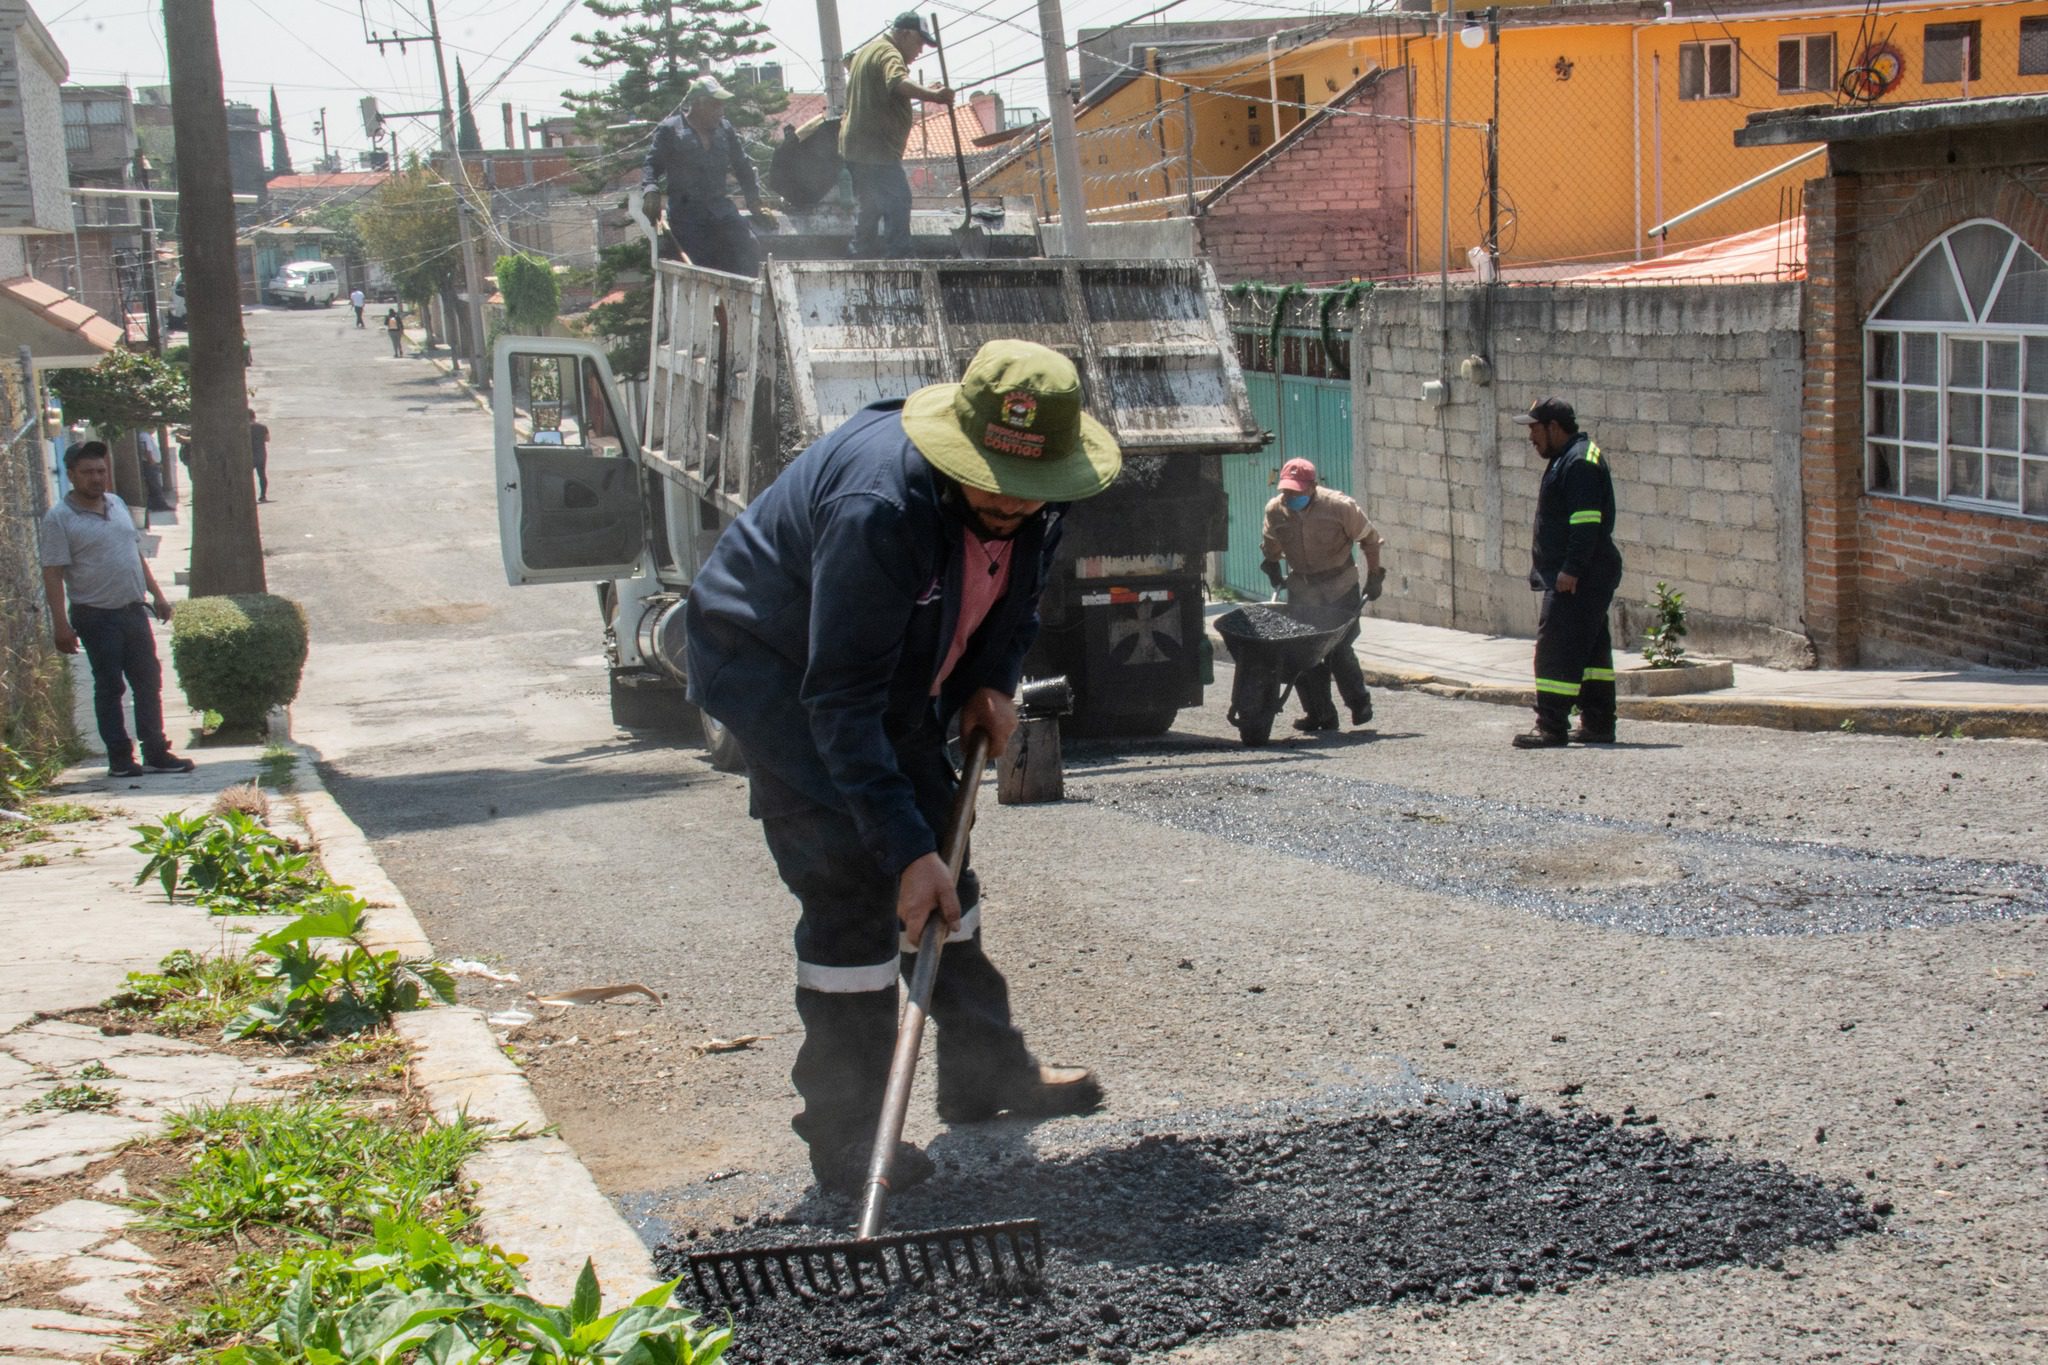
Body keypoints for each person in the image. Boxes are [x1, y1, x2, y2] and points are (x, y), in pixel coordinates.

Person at [685, 339, 1118, 1196]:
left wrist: (991, 678)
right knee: (852, 879)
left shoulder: (1035, 497)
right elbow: (838, 699)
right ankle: (849, 1138)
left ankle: (986, 1072)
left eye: (1029, 488)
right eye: (991, 477)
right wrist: (899, 851)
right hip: (776, 667)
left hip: (885, 672)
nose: (1010, 500)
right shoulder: (880, 507)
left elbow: (1014, 592)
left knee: (944, 871)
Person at [38, 442, 194, 778]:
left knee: (148, 682)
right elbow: (53, 573)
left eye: (101, 471)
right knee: (111, 687)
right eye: (88, 472)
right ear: (72, 476)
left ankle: (156, 751)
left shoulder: (117, 503)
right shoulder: (59, 519)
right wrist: (60, 625)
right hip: (95, 614)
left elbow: (133, 553)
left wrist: (158, 595)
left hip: (133, 610)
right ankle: (120, 758)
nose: (97, 478)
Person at [1510, 396, 1623, 748]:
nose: (1531, 438)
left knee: (1555, 646)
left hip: (1579, 573)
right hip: (1584, 571)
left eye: (1534, 429)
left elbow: (1586, 522)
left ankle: (1551, 725)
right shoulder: (1570, 457)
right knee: (1590, 652)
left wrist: (1571, 569)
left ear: (1554, 428)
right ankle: (1599, 722)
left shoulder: (1579, 462)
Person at [1259, 457, 1385, 731]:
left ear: (1313, 486)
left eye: (1297, 491)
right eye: (1286, 491)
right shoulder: (1275, 511)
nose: (1291, 496)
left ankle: (1359, 702)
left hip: (1339, 586)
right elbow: (1271, 544)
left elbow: (1370, 539)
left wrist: (1375, 576)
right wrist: (1271, 565)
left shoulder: (1340, 507)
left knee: (1338, 650)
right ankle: (1320, 714)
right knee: (1303, 653)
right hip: (1303, 589)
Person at [840, 14, 953, 258]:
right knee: (898, 200)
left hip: (856, 147)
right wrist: (935, 97)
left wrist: (925, 90)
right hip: (876, 148)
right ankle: (900, 259)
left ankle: (861, 254)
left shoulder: (868, 51)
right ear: (905, 34)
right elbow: (897, 81)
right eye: (919, 43)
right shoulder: (889, 53)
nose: (920, 50)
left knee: (870, 205)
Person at [640, 77, 773, 278]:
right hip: (687, 216)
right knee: (700, 265)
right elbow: (651, 165)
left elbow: (742, 167)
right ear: (699, 104)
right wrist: (650, 190)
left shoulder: (725, 129)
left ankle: (749, 300)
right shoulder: (670, 130)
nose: (721, 111)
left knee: (749, 246)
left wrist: (755, 202)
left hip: (721, 209)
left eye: (722, 106)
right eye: (716, 105)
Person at [136, 427, 173, 513]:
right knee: (155, 486)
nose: (155, 429)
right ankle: (159, 505)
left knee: (155, 485)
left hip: (151, 464)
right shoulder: (145, 436)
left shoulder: (146, 436)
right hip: (150, 464)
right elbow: (147, 452)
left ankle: (157, 505)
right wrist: (153, 464)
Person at [248, 408, 270, 502]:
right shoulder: (262, 427)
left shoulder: (243, 428)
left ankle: (249, 496)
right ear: (254, 416)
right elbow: (267, 439)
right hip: (261, 453)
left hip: (249, 455)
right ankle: (263, 495)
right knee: (262, 475)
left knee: (248, 476)